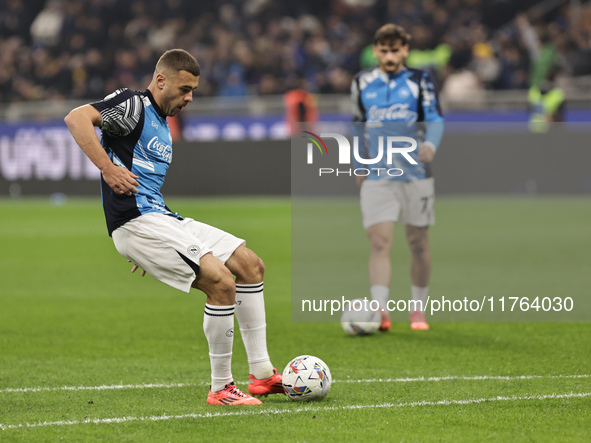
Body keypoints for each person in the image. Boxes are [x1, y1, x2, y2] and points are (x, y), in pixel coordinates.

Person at [64, 49, 283, 406]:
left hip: (159, 217)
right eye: (184, 89)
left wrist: (157, 244)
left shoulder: (163, 123)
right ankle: (221, 388)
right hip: (136, 221)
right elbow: (76, 119)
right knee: (221, 282)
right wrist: (107, 167)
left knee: (249, 265)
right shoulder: (133, 105)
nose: (190, 98)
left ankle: (261, 374)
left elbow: (146, 187)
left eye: (193, 90)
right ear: (161, 80)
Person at [350, 24, 444, 331]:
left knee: (418, 242)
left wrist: (430, 144)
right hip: (378, 174)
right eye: (384, 50)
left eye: (395, 50)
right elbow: (358, 126)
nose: (389, 56)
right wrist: (358, 163)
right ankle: (380, 311)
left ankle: (418, 310)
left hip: (416, 173)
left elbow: (435, 118)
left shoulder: (420, 80)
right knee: (379, 242)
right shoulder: (361, 82)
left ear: (405, 50)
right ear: (376, 50)